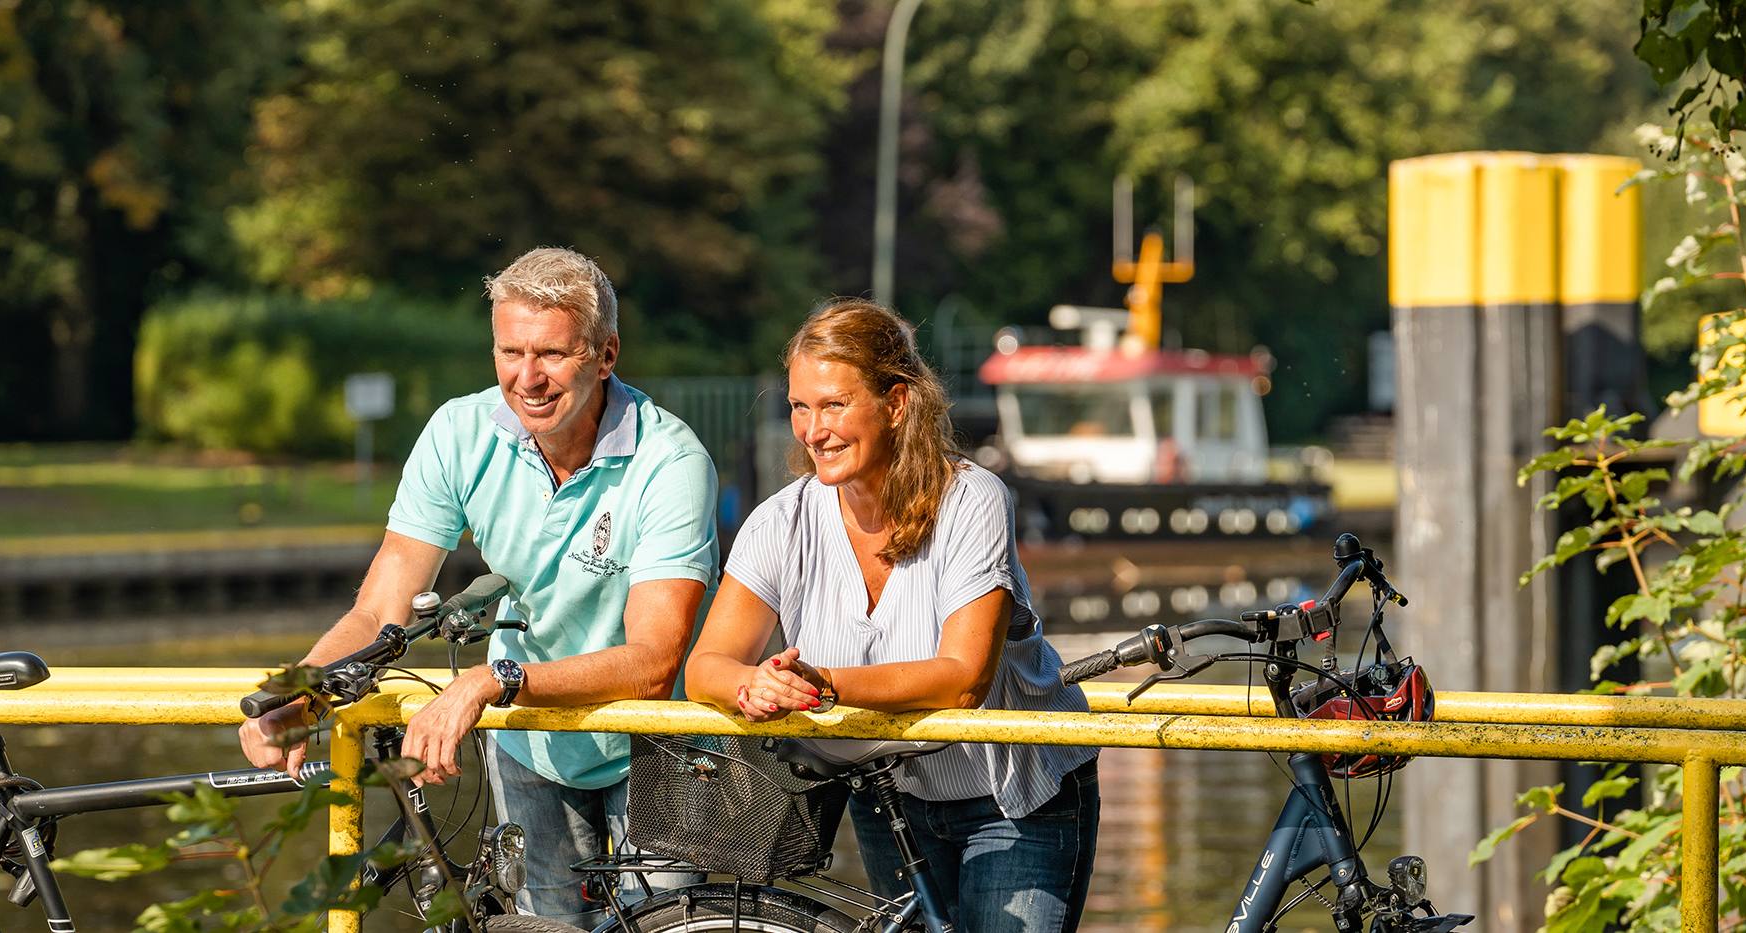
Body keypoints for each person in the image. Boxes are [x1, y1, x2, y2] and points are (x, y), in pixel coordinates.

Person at [238, 247, 716, 927]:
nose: (528, 378)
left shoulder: (670, 461)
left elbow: (652, 662)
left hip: (659, 738)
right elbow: (379, 606)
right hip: (529, 740)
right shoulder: (460, 434)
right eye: (509, 351)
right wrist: (305, 689)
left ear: (606, 355)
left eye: (552, 353)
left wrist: (490, 681)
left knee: (665, 925)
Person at [684, 299, 1100, 933]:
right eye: (800, 406)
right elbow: (704, 667)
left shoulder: (972, 501)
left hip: (1016, 798)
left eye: (834, 405)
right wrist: (754, 683)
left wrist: (821, 685)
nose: (812, 430)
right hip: (889, 795)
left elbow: (963, 679)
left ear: (898, 402)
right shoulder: (781, 520)